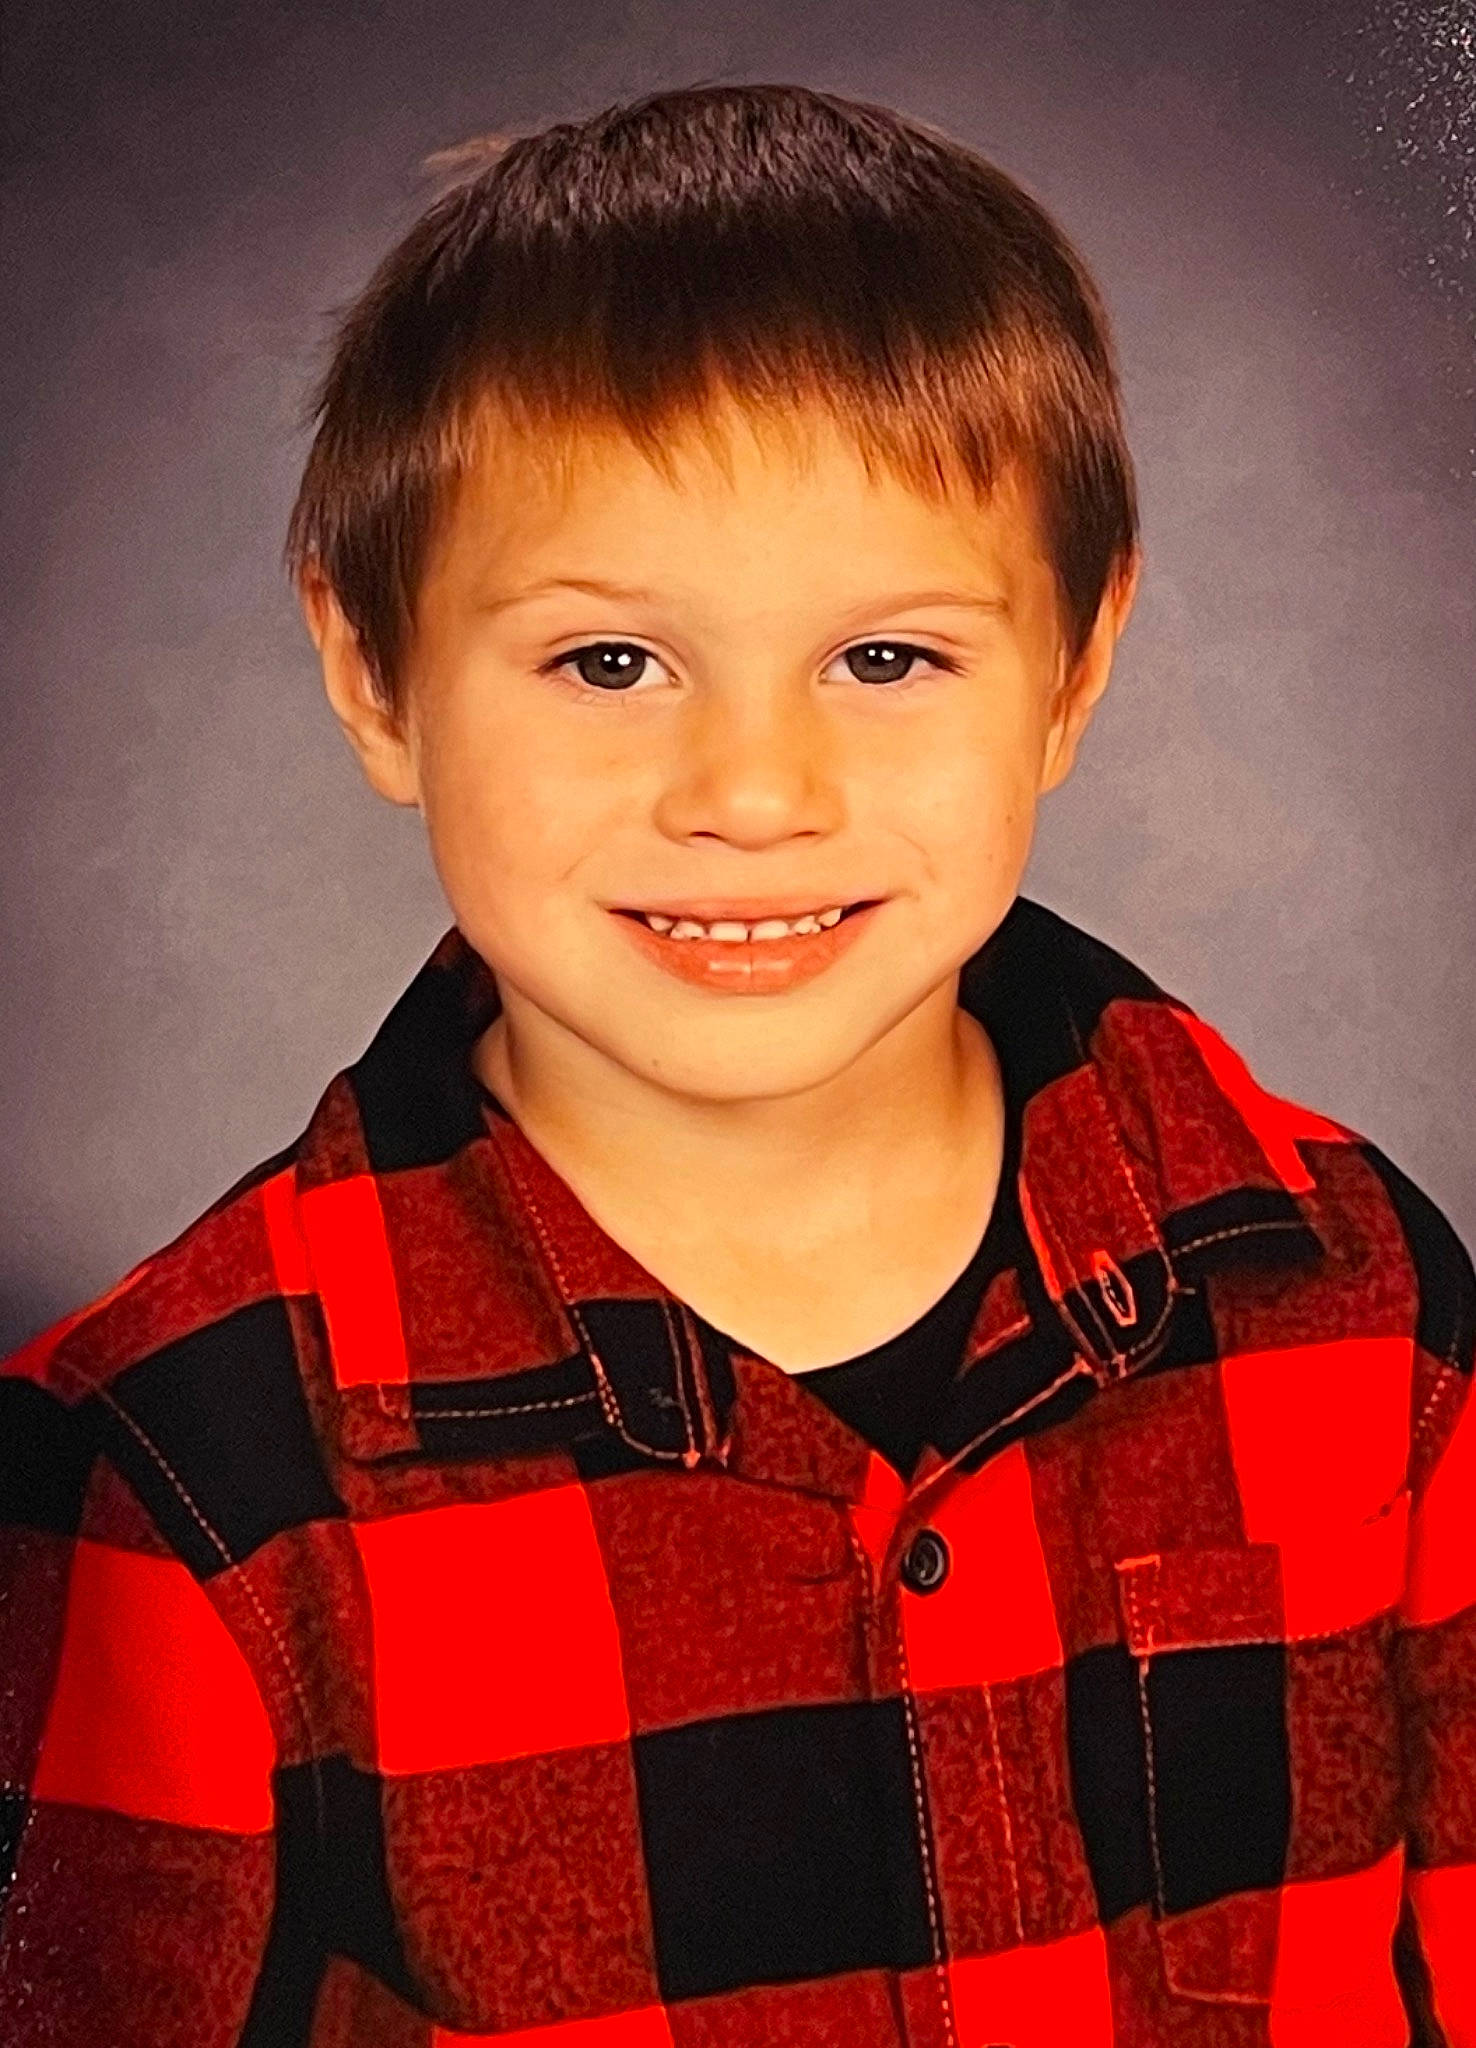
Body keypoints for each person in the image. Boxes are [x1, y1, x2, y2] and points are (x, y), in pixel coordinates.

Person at [1, 80, 1470, 2048]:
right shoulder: (176, 1469)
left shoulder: (1357, 1294)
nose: (757, 795)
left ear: (1076, 665)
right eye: (610, 662)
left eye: (887, 660)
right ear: (371, 672)